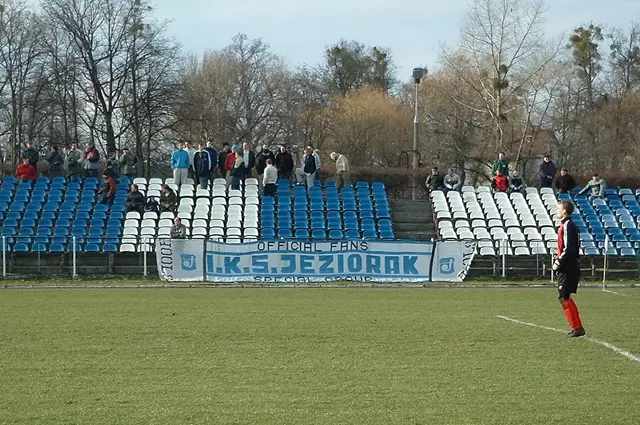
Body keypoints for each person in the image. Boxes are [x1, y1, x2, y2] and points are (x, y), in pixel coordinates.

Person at [553, 200, 585, 338]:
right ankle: (576, 327)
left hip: (568, 266)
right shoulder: (567, 225)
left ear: (565, 211)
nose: (557, 211)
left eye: (559, 208)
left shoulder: (568, 225)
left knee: (564, 296)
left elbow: (569, 248)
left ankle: (577, 327)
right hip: (568, 265)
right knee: (563, 296)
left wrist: (558, 262)